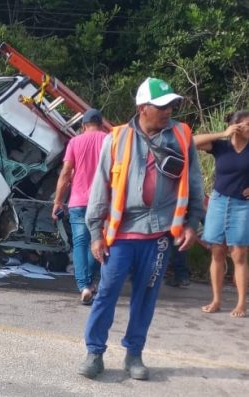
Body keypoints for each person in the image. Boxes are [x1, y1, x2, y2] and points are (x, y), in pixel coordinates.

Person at [78, 77, 205, 380]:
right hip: (121, 236)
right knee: (106, 293)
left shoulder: (181, 136)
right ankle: (94, 352)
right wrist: (95, 234)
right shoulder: (116, 138)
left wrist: (192, 222)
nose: (169, 111)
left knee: (146, 297)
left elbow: (195, 182)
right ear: (143, 107)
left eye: (172, 105)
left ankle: (134, 354)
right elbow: (100, 188)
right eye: (162, 106)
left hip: (159, 235)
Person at [194, 110, 249, 318]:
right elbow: (192, 142)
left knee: (239, 254)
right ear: (237, 126)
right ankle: (216, 300)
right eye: (247, 124)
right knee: (217, 251)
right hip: (218, 202)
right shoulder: (221, 146)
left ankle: (241, 303)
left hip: (242, 205)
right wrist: (223, 133)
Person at [52, 109, 108, 305]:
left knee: (80, 243)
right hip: (102, 202)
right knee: (98, 240)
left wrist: (58, 201)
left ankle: (83, 286)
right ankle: (92, 283)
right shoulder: (109, 140)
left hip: (78, 201)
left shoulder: (75, 142)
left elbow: (66, 173)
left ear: (83, 126)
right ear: (101, 124)